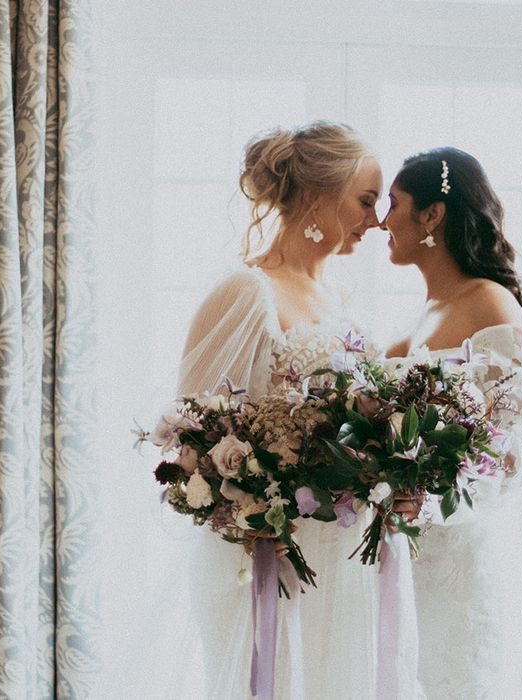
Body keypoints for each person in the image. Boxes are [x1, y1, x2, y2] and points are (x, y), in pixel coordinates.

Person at [177, 121, 422, 699]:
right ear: (316, 196)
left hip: (345, 548)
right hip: (272, 550)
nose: (378, 220)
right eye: (366, 201)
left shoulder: (340, 300)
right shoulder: (246, 291)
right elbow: (192, 435)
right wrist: (257, 510)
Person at [381, 147, 522, 698]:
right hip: (403, 563)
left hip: (464, 566)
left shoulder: (490, 303)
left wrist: (432, 496)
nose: (384, 221)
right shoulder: (421, 317)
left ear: (432, 215)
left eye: (394, 204)